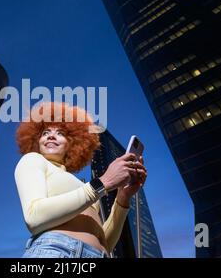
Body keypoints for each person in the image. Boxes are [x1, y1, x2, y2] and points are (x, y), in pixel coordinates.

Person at [14, 102, 147, 258]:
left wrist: (123, 198)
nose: (51, 135)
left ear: (73, 143)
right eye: (45, 133)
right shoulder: (33, 160)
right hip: (57, 250)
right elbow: (34, 217)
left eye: (60, 133)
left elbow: (105, 243)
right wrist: (103, 183)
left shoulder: (82, 186)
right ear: (36, 141)